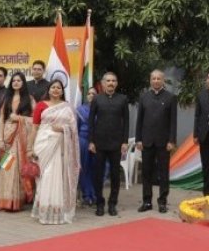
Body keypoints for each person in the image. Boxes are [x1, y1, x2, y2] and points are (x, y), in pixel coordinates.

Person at [28, 79, 80, 224]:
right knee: (45, 176)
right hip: (43, 144)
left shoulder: (67, 108)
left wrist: (63, 129)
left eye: (59, 88)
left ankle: (57, 210)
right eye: (53, 87)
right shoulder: (40, 105)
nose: (56, 90)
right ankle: (44, 209)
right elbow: (34, 128)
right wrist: (30, 148)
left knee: (57, 175)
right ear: (49, 90)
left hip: (61, 147)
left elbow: (74, 130)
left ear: (62, 91)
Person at [136, 69, 178, 213]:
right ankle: (147, 201)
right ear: (150, 80)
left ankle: (162, 201)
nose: (156, 81)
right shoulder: (144, 97)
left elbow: (173, 122)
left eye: (158, 78)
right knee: (146, 173)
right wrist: (138, 139)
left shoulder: (170, 97)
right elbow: (139, 120)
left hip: (163, 142)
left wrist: (171, 140)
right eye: (153, 78)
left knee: (163, 173)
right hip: (146, 141)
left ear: (163, 80)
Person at [88, 72, 129, 216]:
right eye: (108, 81)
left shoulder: (123, 99)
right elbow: (91, 122)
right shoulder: (97, 99)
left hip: (116, 144)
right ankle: (100, 203)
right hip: (99, 143)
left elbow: (126, 122)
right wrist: (91, 141)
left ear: (116, 83)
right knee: (98, 175)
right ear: (103, 83)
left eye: (113, 80)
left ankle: (112, 204)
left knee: (115, 176)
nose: (111, 83)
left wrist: (124, 141)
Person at [0, 72, 33, 211]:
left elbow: (35, 121)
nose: (16, 83)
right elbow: (1, 120)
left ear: (23, 83)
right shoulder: (7, 99)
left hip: (21, 139)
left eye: (19, 80)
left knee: (16, 169)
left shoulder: (29, 99)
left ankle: (15, 200)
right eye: (14, 81)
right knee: (6, 168)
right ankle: (5, 200)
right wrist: (0, 139)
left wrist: (18, 118)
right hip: (7, 137)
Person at [75, 88, 97, 206]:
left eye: (94, 93)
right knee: (84, 169)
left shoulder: (101, 109)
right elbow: (76, 128)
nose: (91, 95)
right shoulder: (80, 110)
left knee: (96, 169)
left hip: (97, 142)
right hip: (82, 141)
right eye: (89, 93)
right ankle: (87, 195)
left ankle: (94, 194)